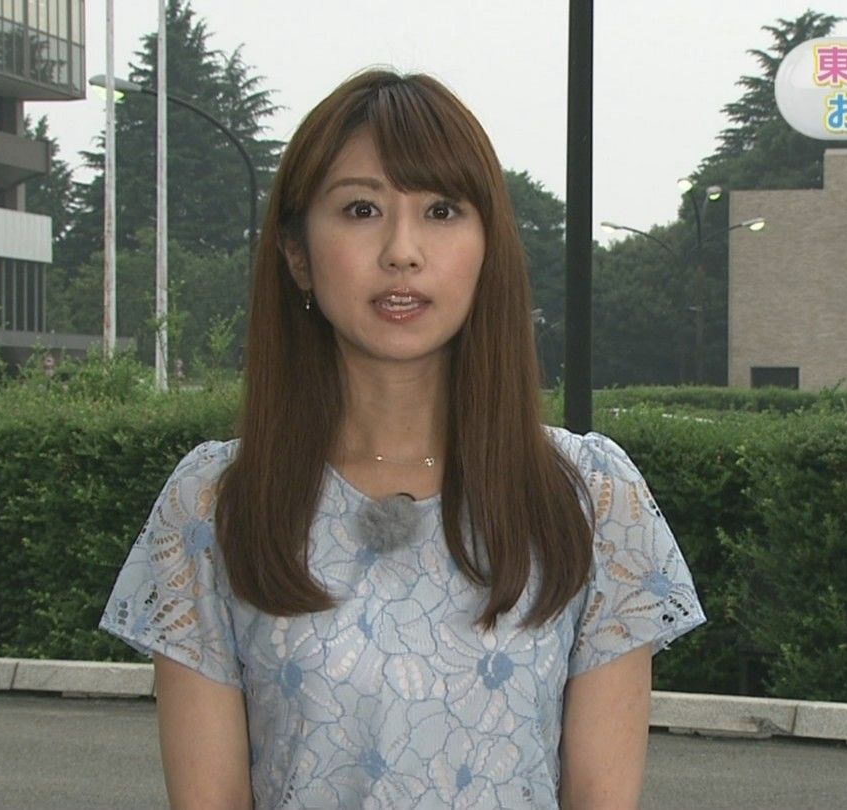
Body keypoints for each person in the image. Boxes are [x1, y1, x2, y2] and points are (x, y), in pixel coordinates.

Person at [99, 68, 706, 809]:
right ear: (297, 254)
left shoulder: (591, 499)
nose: (403, 250)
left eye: (441, 210)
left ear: (488, 247)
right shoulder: (213, 506)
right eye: (361, 209)